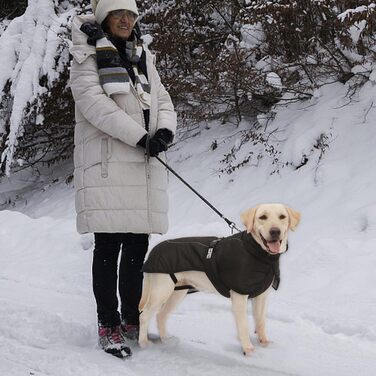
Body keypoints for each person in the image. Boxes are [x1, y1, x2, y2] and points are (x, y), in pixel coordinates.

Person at [69, 0, 177, 357]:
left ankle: (132, 316)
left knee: (136, 247)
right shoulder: (86, 57)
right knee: (109, 247)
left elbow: (162, 99)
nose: (126, 20)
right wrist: (140, 137)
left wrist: (163, 132)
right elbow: (95, 107)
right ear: (104, 18)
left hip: (142, 163)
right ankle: (108, 323)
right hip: (109, 165)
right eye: (119, 14)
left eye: (131, 14)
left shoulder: (144, 56)